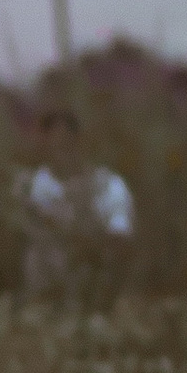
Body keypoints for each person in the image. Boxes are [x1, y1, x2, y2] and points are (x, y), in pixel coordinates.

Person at [23, 104, 134, 290]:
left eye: (66, 142)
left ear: (79, 142)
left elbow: (119, 235)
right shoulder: (39, 184)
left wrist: (89, 247)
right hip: (52, 277)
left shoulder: (108, 185)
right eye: (54, 144)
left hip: (95, 275)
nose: (60, 150)